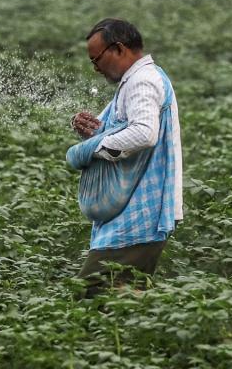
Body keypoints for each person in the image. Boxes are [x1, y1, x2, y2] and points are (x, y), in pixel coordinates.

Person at [68, 18, 183, 299]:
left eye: (96, 59)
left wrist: (93, 148)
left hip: (139, 216)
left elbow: (143, 133)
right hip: (129, 213)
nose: (95, 68)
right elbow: (120, 131)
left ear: (118, 49)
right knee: (123, 298)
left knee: (91, 294)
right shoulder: (134, 81)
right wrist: (93, 131)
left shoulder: (143, 81)